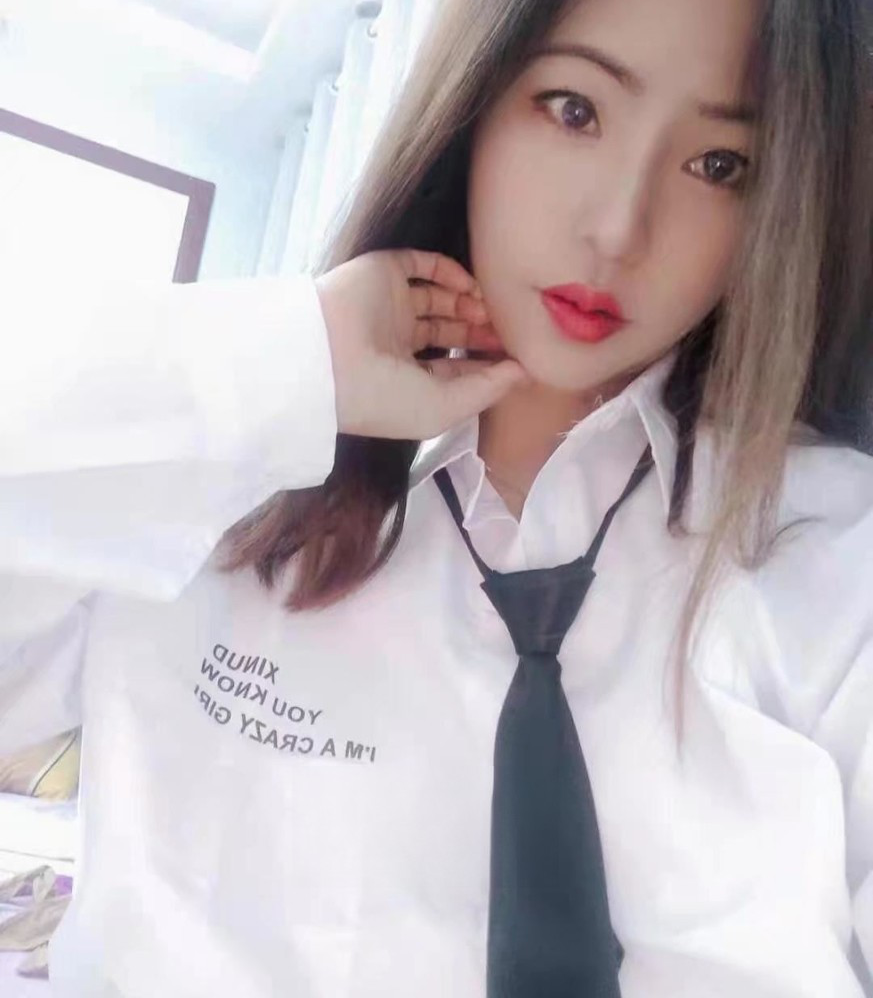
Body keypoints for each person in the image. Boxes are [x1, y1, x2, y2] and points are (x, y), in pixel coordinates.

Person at [2, 0, 872, 993]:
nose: (618, 228)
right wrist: (294, 362)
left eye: (719, 165)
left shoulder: (834, 556)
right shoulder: (221, 491)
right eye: (574, 110)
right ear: (472, 111)